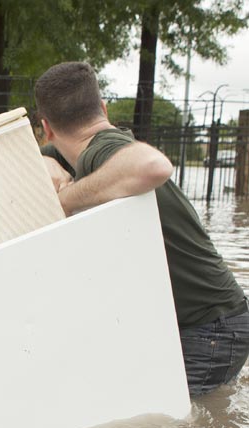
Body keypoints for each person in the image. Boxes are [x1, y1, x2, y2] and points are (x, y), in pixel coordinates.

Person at [34, 61, 249, 396]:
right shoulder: (90, 150)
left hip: (209, 329)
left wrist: (67, 199)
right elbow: (38, 156)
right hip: (214, 322)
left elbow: (154, 165)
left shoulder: (100, 151)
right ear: (103, 109)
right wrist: (45, 162)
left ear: (46, 127)